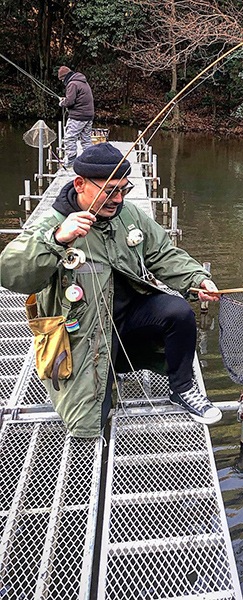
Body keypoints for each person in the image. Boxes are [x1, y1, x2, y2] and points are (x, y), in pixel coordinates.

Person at [0, 142, 222, 437]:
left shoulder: (129, 215)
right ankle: (100, 383)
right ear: (80, 184)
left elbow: (163, 254)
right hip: (82, 339)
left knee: (179, 312)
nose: (117, 199)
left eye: (124, 190)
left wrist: (196, 280)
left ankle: (182, 388)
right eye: (109, 190)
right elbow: (11, 273)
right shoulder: (52, 225)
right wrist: (56, 239)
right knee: (90, 422)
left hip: (128, 322)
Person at [57, 66, 95, 168]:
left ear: (65, 77)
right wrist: (66, 100)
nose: (62, 82)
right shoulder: (82, 81)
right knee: (86, 139)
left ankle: (71, 162)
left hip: (78, 116)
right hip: (89, 115)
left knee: (69, 138)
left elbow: (70, 102)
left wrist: (62, 103)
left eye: (61, 79)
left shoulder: (72, 84)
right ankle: (90, 160)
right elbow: (77, 98)